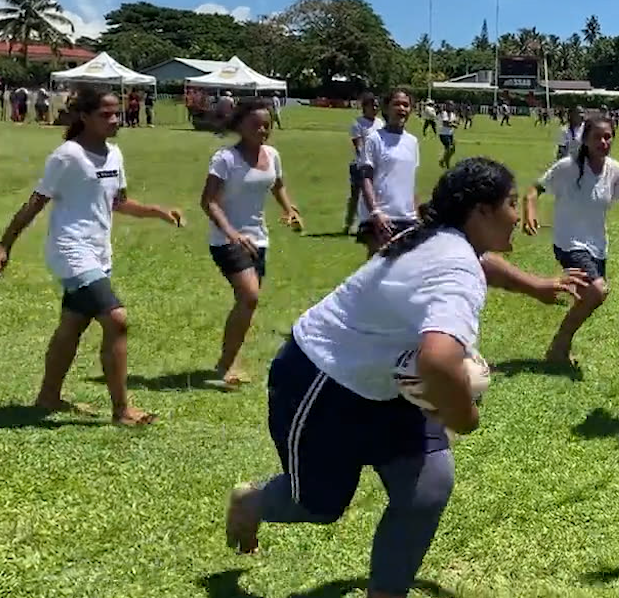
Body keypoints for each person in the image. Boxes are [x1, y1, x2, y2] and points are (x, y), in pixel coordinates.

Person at [223, 157, 590, 598]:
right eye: (512, 203)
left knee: (427, 487)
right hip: (323, 379)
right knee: (318, 506)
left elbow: (478, 262)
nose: (519, 215)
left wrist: (533, 285)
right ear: (481, 212)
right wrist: (465, 417)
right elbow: (437, 361)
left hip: (392, 381)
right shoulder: (455, 268)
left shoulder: (444, 236)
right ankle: (251, 502)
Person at [0, 88, 185, 426]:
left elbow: (118, 202)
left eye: (117, 114)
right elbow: (36, 202)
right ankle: (122, 411)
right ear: (84, 116)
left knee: (73, 323)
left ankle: (48, 397)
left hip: (99, 252)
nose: (115, 120)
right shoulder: (68, 155)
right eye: (106, 114)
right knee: (116, 319)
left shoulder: (114, 154)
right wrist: (5, 244)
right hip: (70, 251)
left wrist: (156, 210)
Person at [523, 116, 619, 364]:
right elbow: (533, 191)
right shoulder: (567, 167)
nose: (604, 142)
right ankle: (558, 346)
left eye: (608, 137)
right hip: (568, 243)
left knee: (592, 298)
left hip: (597, 246)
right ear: (585, 139)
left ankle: (559, 349)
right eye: (597, 137)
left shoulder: (616, 171)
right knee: (597, 291)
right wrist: (529, 213)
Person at [199, 98, 303, 389]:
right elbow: (208, 202)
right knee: (249, 296)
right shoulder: (225, 159)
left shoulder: (272, 154)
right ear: (240, 124)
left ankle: (228, 360)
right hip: (227, 239)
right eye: (256, 124)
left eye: (267, 125)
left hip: (259, 238)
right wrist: (233, 233)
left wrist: (289, 209)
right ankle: (225, 365)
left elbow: (277, 184)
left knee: (247, 302)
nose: (262, 130)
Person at [356, 89, 420, 257]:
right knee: (378, 268)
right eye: (396, 104)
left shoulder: (412, 142)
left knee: (403, 272)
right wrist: (375, 212)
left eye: (406, 105)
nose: (402, 109)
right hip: (381, 217)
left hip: (407, 217)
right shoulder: (374, 139)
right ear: (386, 108)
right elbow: (365, 177)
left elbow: (409, 181)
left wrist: (417, 214)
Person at [345, 93, 382, 234]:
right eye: (372, 105)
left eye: (376, 105)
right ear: (365, 107)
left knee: (375, 195)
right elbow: (358, 145)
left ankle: (372, 221)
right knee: (356, 196)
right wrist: (365, 159)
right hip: (360, 165)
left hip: (377, 165)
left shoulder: (380, 123)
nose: (375, 108)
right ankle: (349, 223)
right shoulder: (358, 123)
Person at [437, 102, 458, 169]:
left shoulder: (452, 114)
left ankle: (443, 161)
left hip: (450, 134)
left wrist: (456, 122)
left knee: (452, 150)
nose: (451, 107)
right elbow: (445, 123)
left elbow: (455, 121)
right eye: (449, 106)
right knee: (448, 148)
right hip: (443, 134)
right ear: (446, 106)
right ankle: (446, 163)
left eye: (452, 106)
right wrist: (453, 125)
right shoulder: (444, 113)